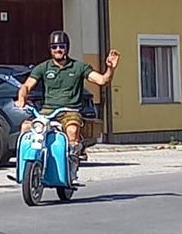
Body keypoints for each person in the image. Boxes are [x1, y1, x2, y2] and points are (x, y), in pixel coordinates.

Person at [16, 30, 120, 180]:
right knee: (26, 127)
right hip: (47, 112)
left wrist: (110, 68)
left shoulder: (79, 67)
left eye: (61, 46)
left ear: (67, 48)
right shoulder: (43, 67)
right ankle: (23, 168)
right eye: (54, 47)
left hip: (70, 111)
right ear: (50, 49)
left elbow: (102, 80)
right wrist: (21, 98)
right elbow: (26, 86)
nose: (58, 49)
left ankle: (72, 166)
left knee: (72, 130)